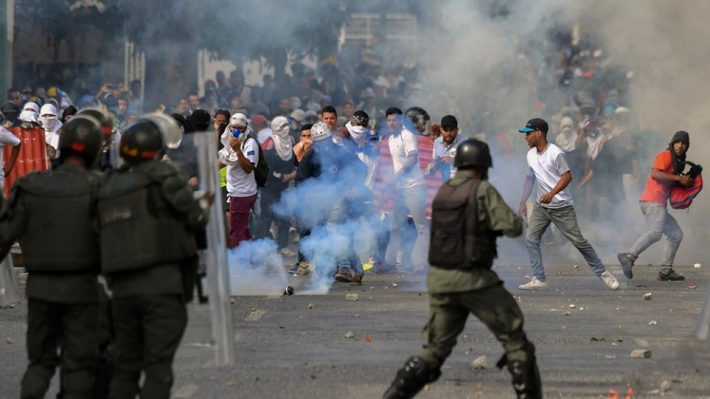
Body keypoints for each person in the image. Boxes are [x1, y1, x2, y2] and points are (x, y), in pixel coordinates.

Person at [383, 139, 542, 399]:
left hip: (439, 280)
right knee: (516, 342)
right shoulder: (482, 190)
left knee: (434, 350)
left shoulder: (444, 191)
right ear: (481, 167)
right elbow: (513, 227)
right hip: (473, 278)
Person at [95, 113, 212, 399]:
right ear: (157, 148)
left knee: (126, 364)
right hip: (163, 284)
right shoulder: (165, 176)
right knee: (158, 367)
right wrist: (205, 205)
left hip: (120, 287)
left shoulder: (109, 183)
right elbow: (195, 218)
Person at [0, 115, 104, 398]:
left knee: (40, 364)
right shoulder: (104, 188)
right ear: (96, 149)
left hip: (41, 290)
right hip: (84, 290)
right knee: (79, 366)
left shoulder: (31, 186)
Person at [517, 118, 620, 290]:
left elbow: (567, 176)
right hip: (542, 207)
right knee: (531, 239)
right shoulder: (530, 155)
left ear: (538, 133)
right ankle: (539, 279)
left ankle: (604, 273)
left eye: (528, 133)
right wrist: (522, 202)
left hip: (562, 207)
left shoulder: (555, 153)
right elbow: (530, 177)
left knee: (579, 241)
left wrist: (551, 194)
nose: (525, 137)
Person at [617, 131, 693, 281]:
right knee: (655, 233)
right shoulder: (665, 155)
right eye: (677, 142)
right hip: (652, 202)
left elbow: (672, 184)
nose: (680, 146)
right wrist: (679, 178)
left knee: (676, 234)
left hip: (659, 204)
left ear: (687, 147)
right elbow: (656, 174)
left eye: (684, 144)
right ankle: (629, 257)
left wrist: (686, 182)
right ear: (672, 143)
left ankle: (665, 271)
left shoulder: (678, 163)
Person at [380, 107, 430, 273]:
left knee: (421, 226)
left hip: (415, 186)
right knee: (395, 226)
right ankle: (390, 262)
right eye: (388, 120)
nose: (391, 123)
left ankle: (420, 263)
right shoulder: (390, 139)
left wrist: (396, 176)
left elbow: (411, 159)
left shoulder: (407, 136)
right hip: (400, 188)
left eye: (394, 120)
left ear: (401, 121)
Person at [254, 116, 297, 256]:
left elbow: (294, 160)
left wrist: (293, 173)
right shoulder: (269, 143)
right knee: (267, 216)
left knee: (284, 216)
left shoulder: (290, 141)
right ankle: (262, 246)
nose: (286, 128)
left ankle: (282, 246)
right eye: (283, 126)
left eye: (287, 125)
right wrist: (279, 176)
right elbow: (264, 166)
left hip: (285, 186)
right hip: (270, 186)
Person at [219, 112, 259, 248]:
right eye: (233, 127)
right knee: (243, 228)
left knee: (236, 231)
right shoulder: (229, 143)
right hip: (234, 191)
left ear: (246, 128)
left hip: (243, 193)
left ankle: (238, 262)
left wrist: (237, 150)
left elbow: (248, 167)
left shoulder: (250, 143)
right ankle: (255, 256)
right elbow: (223, 161)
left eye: (240, 128)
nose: (236, 131)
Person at [430, 115, 465, 182]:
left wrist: (454, 161)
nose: (448, 133)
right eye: (445, 130)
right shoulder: (437, 142)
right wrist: (432, 167)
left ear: (457, 130)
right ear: (441, 129)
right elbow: (435, 160)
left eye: (451, 130)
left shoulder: (464, 143)